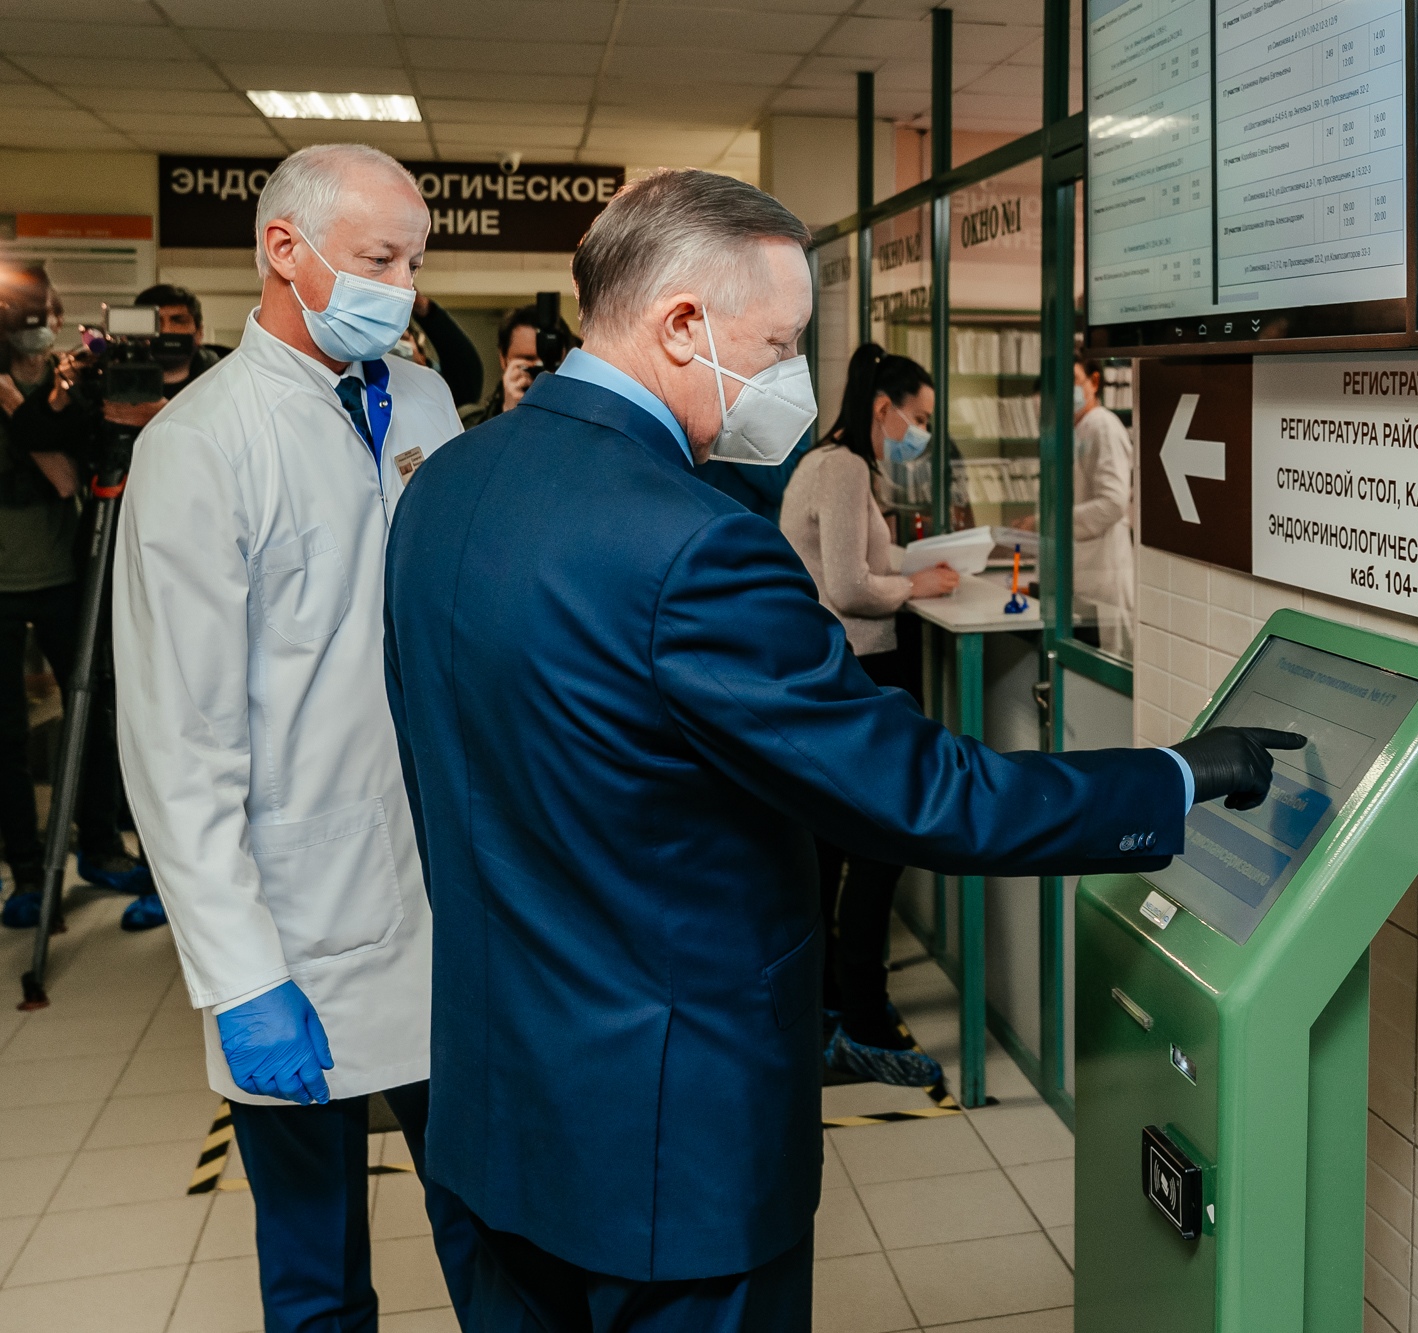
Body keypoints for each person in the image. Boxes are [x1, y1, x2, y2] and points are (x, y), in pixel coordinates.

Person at [381, 167, 1300, 1331]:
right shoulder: (694, 545)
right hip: (668, 1156)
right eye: (775, 343)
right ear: (678, 325)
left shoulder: (447, 487)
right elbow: (920, 796)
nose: (790, 381)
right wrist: (1174, 773)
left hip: (488, 1114)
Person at [111, 142, 477, 1333]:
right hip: (295, 917)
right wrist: (242, 974)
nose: (404, 286)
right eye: (380, 258)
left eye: (415, 261)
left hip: (445, 889)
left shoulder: (424, 399)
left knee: (493, 1224)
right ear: (286, 249)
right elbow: (179, 738)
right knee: (317, 1270)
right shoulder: (200, 444)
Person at [780, 342, 959, 1086]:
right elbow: (851, 586)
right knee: (881, 841)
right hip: (855, 668)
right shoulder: (847, 466)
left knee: (830, 850)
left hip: (826, 669)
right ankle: (862, 1016)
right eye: (915, 418)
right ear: (882, 407)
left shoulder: (829, 462)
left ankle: (826, 1012)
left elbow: (847, 567)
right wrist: (919, 588)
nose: (917, 432)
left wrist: (913, 571)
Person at [0, 267, 157, 931]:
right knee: (6, 732)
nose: (42, 320)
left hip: (66, 573)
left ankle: (100, 844)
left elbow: (69, 478)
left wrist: (22, 406)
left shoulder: (69, 386)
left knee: (93, 712)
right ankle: (29, 871)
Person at [1072, 358, 1136, 658]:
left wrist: (1050, 522)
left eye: (1073, 379)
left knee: (1112, 659)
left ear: (1094, 382)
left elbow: (1113, 502)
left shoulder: (1102, 424)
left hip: (1105, 570)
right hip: (1087, 573)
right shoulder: (1076, 429)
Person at [472, 300, 575, 422]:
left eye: (548, 361)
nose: (540, 371)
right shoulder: (473, 425)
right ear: (503, 359)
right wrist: (511, 416)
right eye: (528, 359)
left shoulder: (588, 417)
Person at [398, 291, 485, 408]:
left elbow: (466, 381)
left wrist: (423, 307)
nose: (394, 346)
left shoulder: (438, 388)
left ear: (422, 355)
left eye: (401, 338)